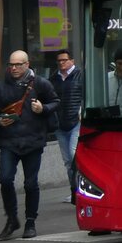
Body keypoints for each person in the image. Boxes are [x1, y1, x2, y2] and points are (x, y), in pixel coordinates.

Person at [0, 50, 58, 240]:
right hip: (9, 141)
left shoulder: (40, 83)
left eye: (18, 64)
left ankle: (30, 222)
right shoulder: (0, 89)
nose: (14, 68)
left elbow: (55, 101)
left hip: (33, 141)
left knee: (30, 183)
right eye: (11, 65)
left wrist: (43, 108)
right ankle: (11, 218)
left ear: (27, 64)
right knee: (6, 179)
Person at [50, 48, 83, 205]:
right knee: (68, 162)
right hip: (60, 125)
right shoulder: (53, 79)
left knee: (73, 156)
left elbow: (86, 95)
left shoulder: (80, 75)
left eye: (64, 60)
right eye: (59, 61)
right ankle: (74, 191)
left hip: (75, 123)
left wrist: (81, 111)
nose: (62, 63)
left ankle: (79, 191)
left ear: (72, 61)